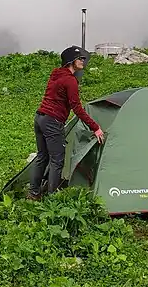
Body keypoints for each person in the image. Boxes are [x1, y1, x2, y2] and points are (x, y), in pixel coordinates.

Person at [28, 46, 105, 200]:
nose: (83, 61)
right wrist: (95, 128)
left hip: (40, 118)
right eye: (80, 59)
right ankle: (53, 198)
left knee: (42, 156)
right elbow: (77, 108)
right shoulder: (70, 81)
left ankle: (33, 193)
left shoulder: (56, 74)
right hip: (52, 122)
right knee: (57, 161)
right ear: (71, 61)